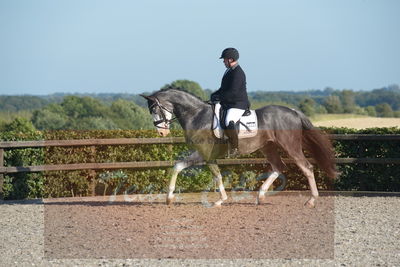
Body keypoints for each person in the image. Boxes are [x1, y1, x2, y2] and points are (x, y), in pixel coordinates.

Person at [210, 47, 250, 156]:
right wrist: (214, 95)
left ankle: (235, 148)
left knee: (229, 120)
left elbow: (233, 92)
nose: (223, 61)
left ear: (231, 60)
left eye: (225, 59)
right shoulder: (229, 71)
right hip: (229, 102)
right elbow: (224, 89)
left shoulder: (238, 73)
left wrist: (220, 97)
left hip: (238, 103)